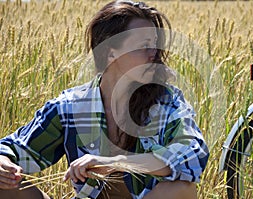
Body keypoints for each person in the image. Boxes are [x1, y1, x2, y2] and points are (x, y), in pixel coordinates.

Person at [0, 1, 209, 199]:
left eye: (155, 45)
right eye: (144, 45)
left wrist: (116, 162)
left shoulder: (167, 103)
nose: (154, 54)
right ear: (110, 53)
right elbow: (13, 149)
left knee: (181, 189)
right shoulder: (69, 107)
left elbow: (192, 155)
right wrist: (3, 163)